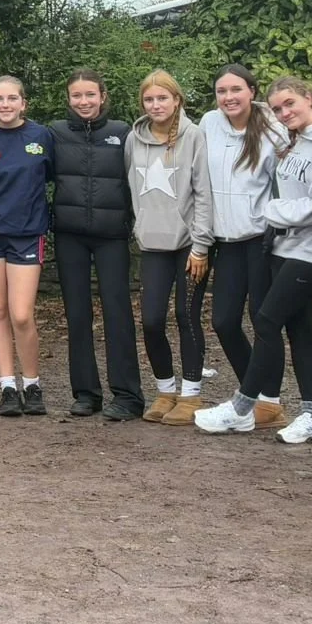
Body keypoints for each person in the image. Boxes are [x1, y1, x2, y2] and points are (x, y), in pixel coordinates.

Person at [196, 77, 312, 439]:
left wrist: (268, 212)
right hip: (272, 245)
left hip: (291, 244)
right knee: (286, 328)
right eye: (280, 108)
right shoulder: (295, 139)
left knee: (267, 320)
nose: (285, 112)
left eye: (291, 104)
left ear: (308, 99)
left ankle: (250, 403)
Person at [48, 69, 141, 421]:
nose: (83, 102)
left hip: (111, 235)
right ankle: (86, 393)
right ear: (68, 99)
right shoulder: (54, 133)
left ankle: (128, 395)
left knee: (117, 313)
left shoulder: (122, 133)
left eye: (90, 95)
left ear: (102, 96)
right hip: (70, 234)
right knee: (77, 314)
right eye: (76, 96)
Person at [125, 70, 213, 423]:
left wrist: (202, 245)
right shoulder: (135, 140)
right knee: (151, 320)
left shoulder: (194, 137)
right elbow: (131, 188)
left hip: (191, 245)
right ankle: (165, 391)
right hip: (153, 244)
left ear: (177, 100)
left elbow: (204, 192)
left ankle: (191, 395)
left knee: (186, 316)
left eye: (163, 98)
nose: (156, 105)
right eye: (149, 99)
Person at [0, 75, 57, 417]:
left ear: (24, 103)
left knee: (22, 314)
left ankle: (31, 382)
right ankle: (7, 385)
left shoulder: (41, 136)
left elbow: (50, 177)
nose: (5, 105)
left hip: (26, 233)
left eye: (12, 99)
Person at [198, 65, 287, 406]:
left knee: (263, 321)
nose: (229, 97)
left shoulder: (273, 130)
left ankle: (270, 401)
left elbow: (286, 186)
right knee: (223, 321)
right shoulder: (209, 123)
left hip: (261, 240)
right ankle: (253, 391)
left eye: (236, 89)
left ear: (252, 91)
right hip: (226, 241)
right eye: (222, 91)